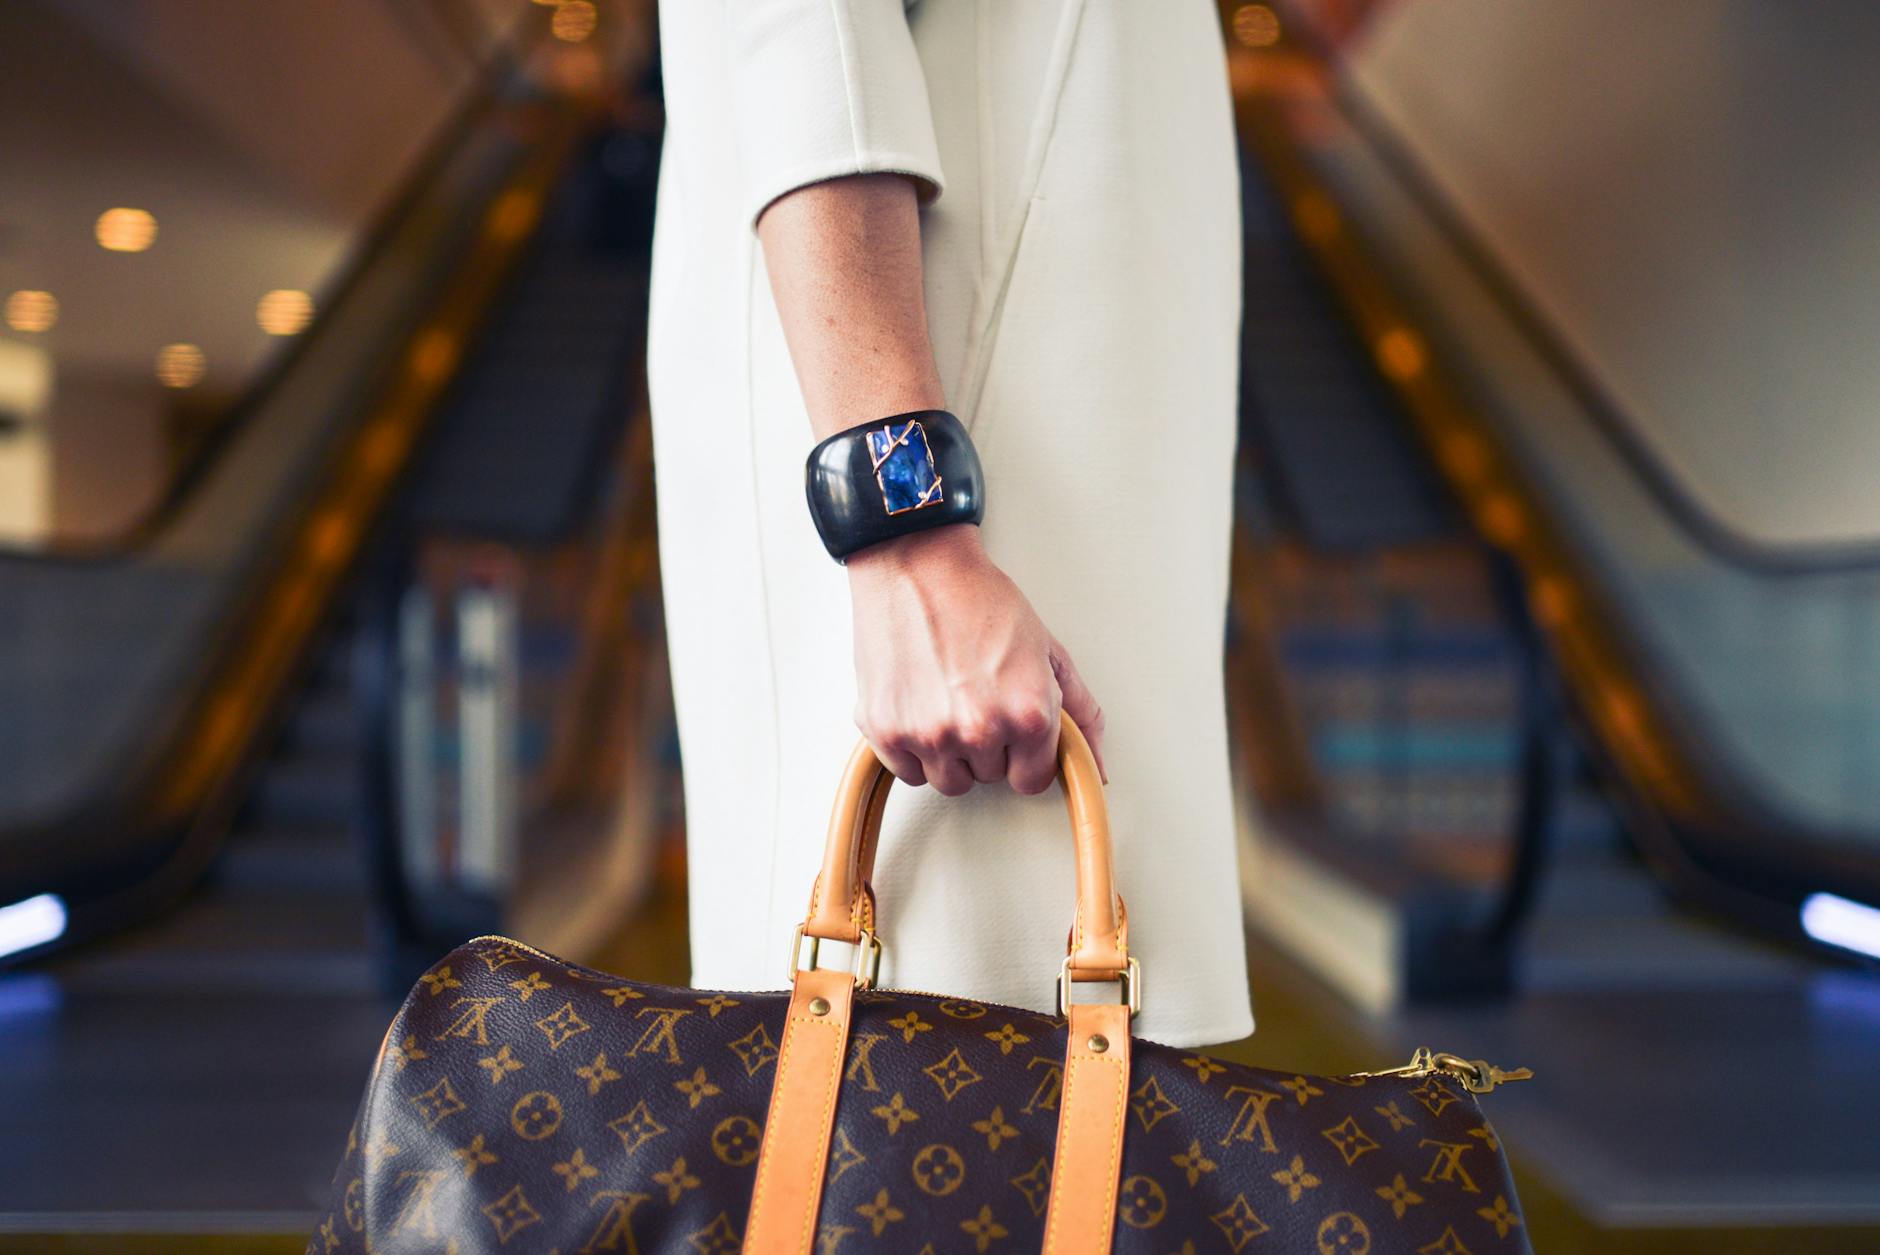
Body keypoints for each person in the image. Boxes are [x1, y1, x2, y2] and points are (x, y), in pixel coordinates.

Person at [647, 0, 1252, 1047]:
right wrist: (905, 538)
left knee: (1052, 1118)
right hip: (968, 504)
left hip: (1051, 501)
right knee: (923, 1104)